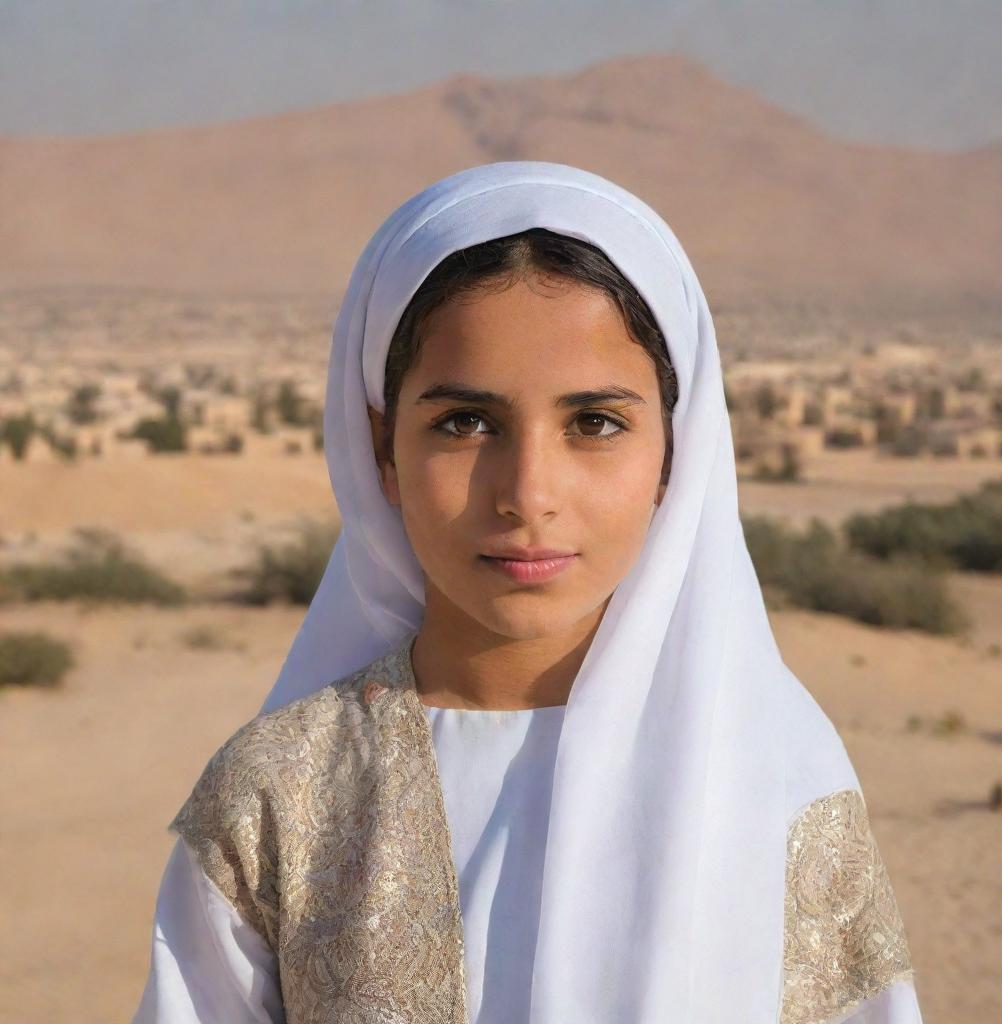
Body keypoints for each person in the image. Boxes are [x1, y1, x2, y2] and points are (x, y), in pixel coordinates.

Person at [133, 161, 923, 1023]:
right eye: (466, 423)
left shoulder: (777, 781)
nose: (527, 493)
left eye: (596, 424)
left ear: (676, 453)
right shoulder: (277, 798)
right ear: (382, 449)